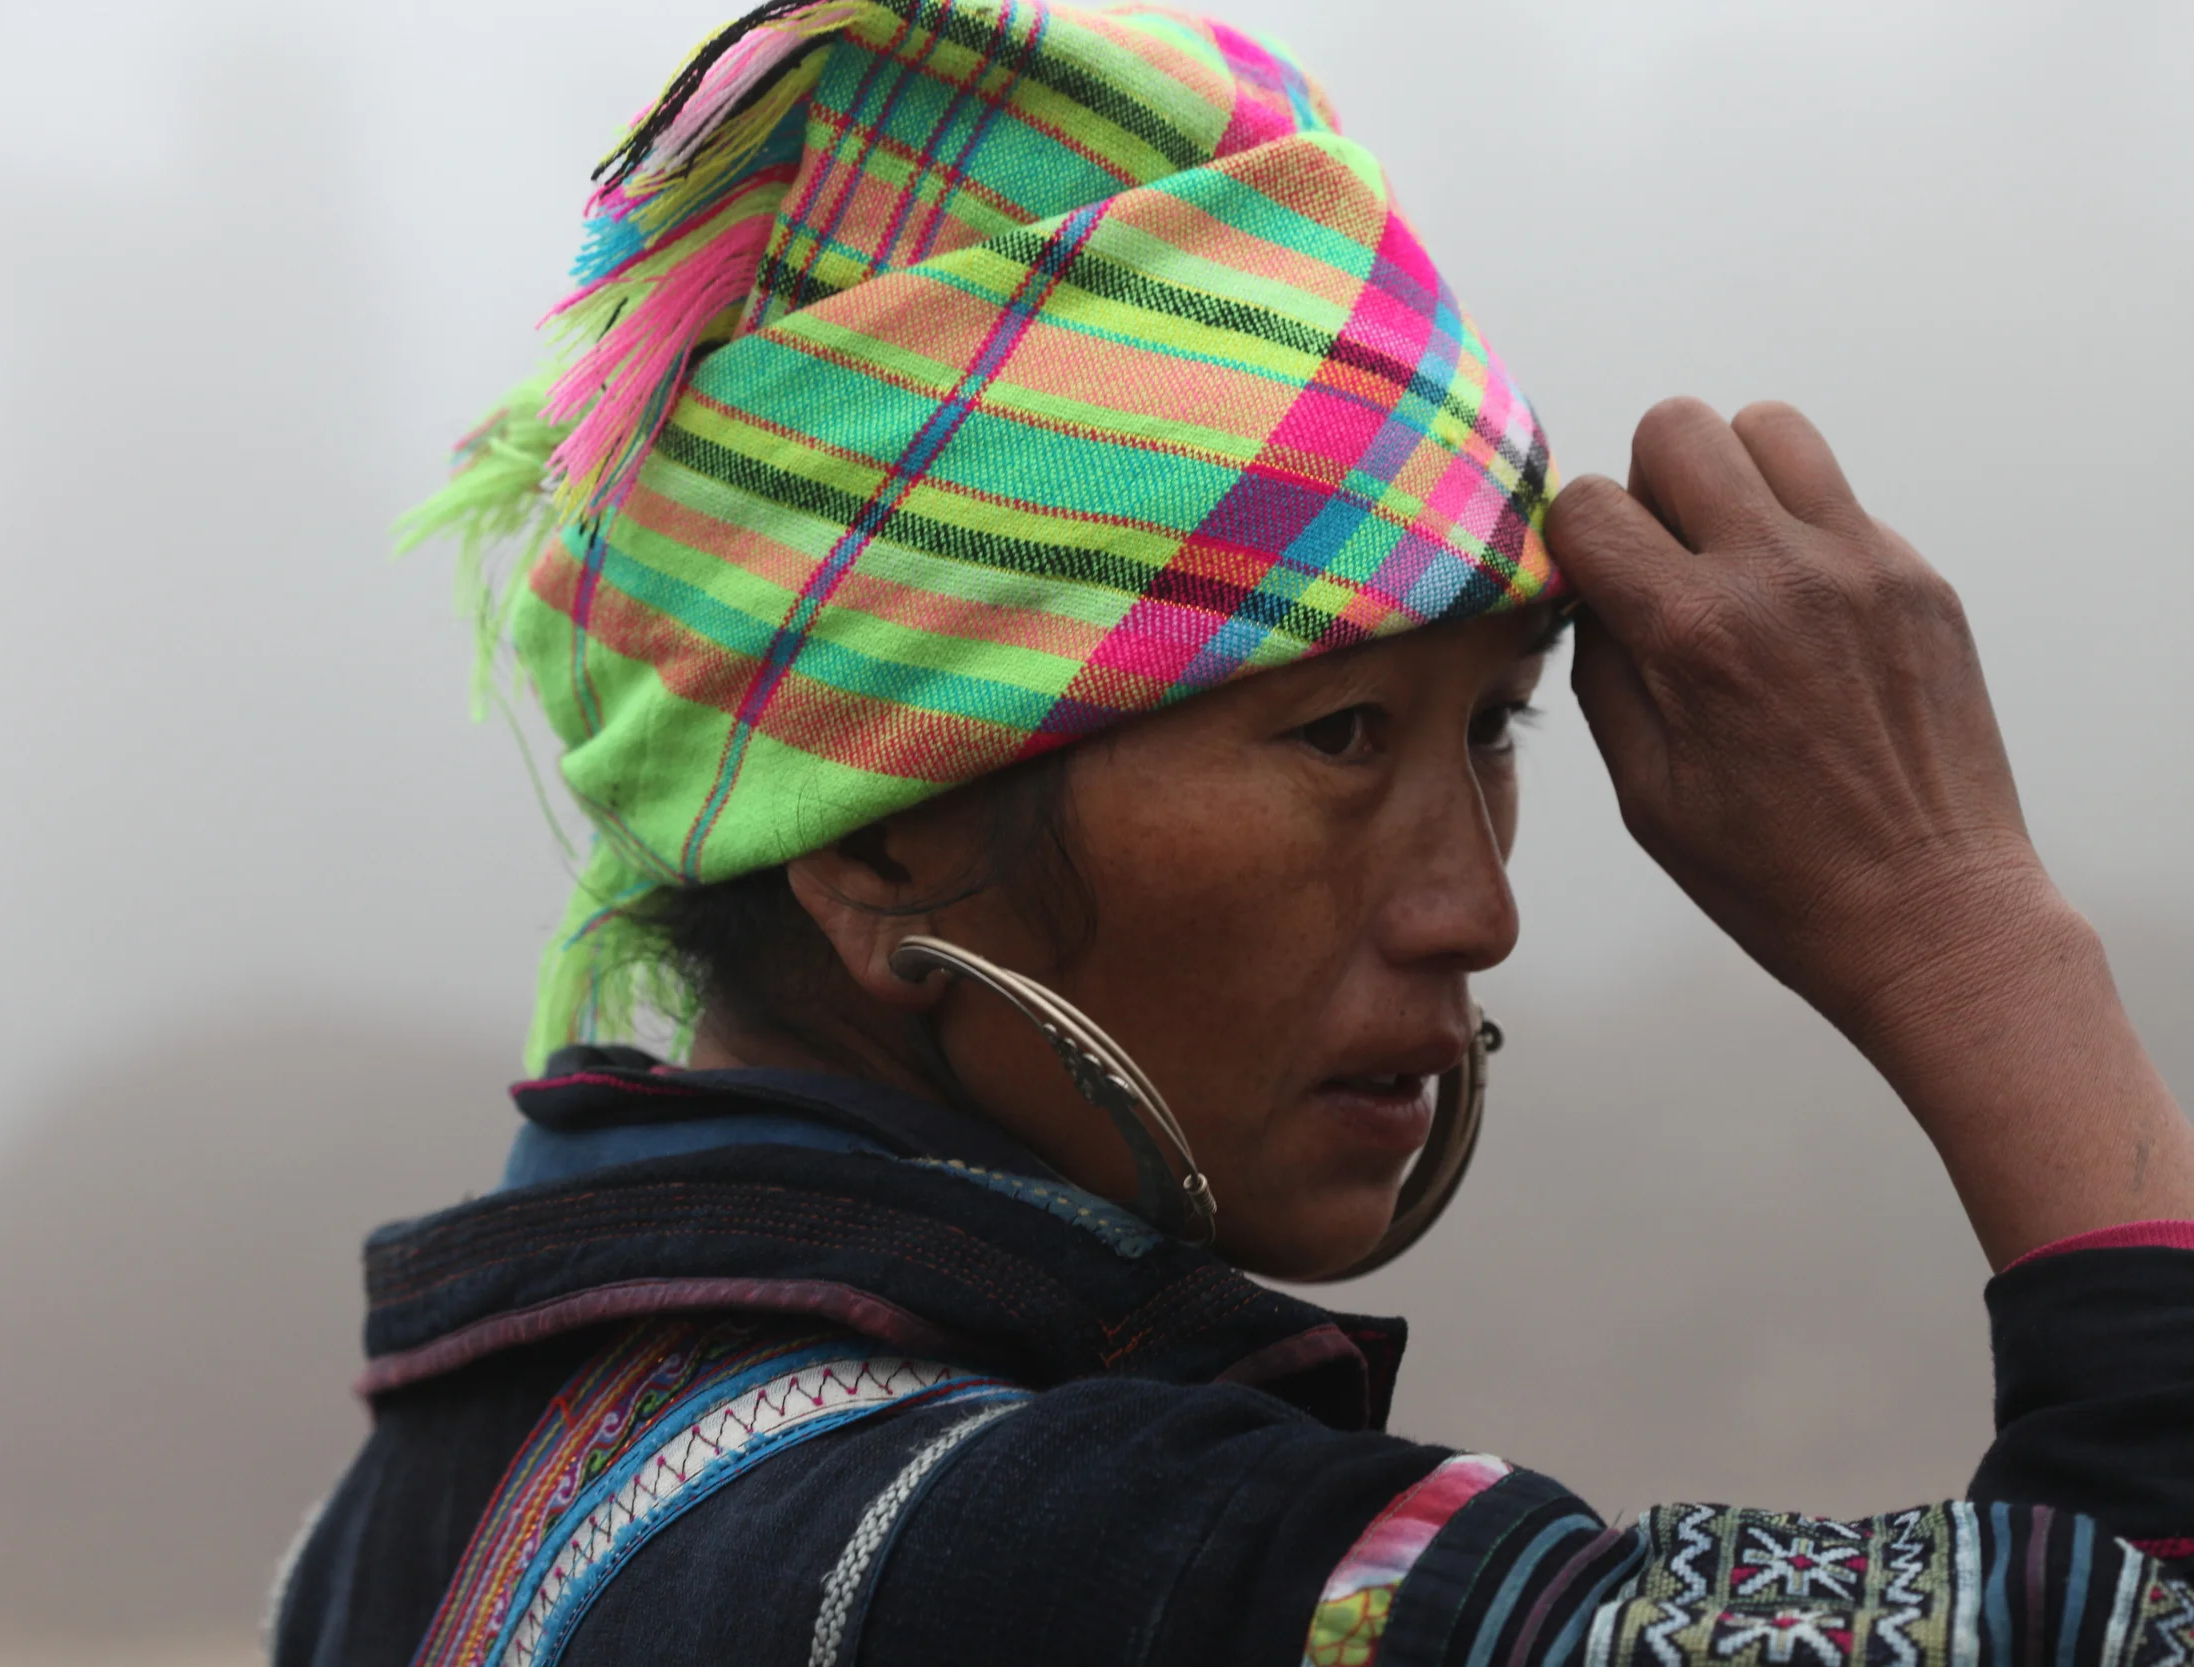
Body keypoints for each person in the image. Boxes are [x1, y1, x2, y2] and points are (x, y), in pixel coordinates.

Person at [270, 3, 2194, 1663]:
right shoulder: (1049, 1556)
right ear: (871, 836)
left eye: (1494, 726)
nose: (1480, 908)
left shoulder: (420, 1498)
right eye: (1342, 731)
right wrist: (1974, 936)